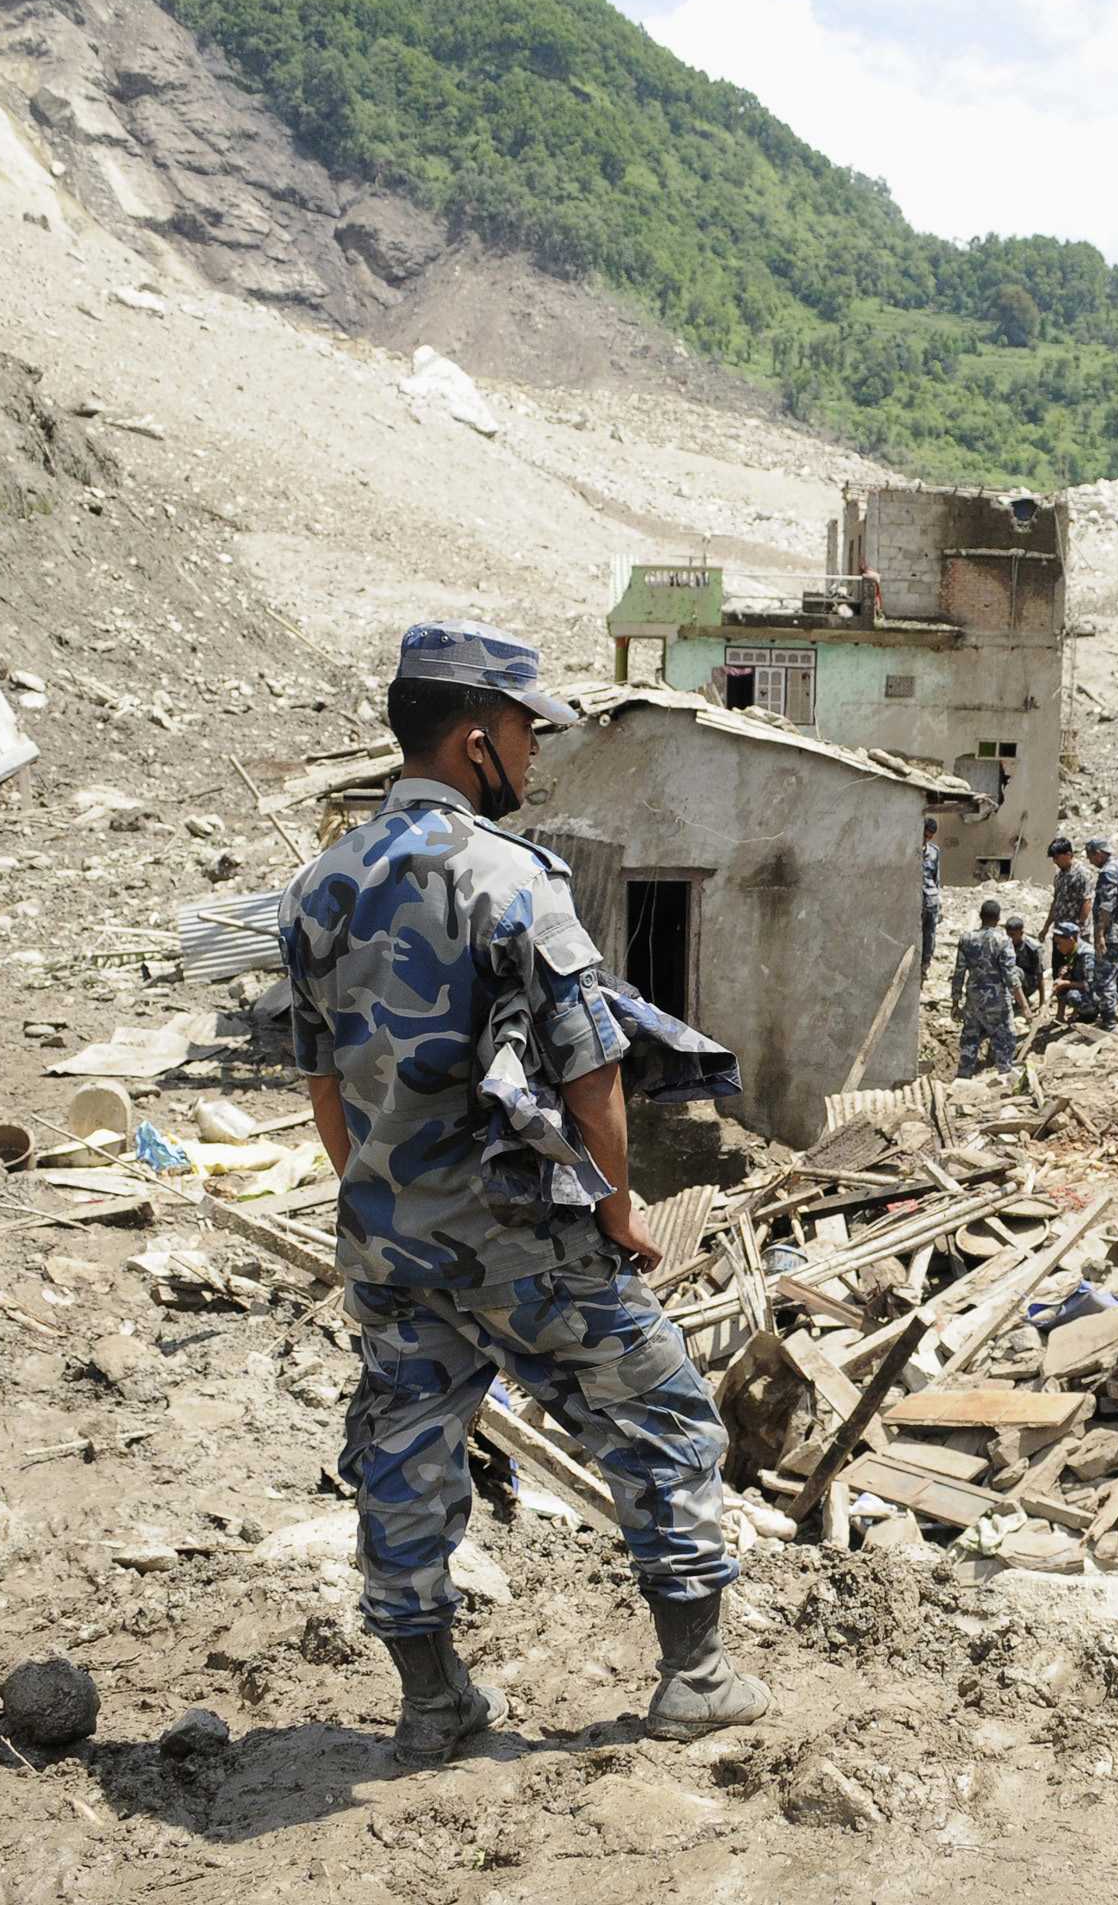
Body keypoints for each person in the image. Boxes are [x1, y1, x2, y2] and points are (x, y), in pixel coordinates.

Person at [280, 620, 769, 1767]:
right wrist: (616, 1210)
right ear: (474, 739)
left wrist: (377, 1196)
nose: (535, 754)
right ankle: (694, 1674)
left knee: (404, 1449)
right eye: (522, 731)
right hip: (524, 1242)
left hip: (392, 1243)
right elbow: (591, 1069)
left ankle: (433, 1699)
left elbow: (321, 1081)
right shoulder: (512, 876)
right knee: (663, 1415)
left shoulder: (318, 885)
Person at [948, 897, 1030, 1074]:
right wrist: (1024, 1006)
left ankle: (963, 1078)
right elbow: (1010, 977)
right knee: (1005, 1040)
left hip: (973, 1001)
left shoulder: (967, 939)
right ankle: (1003, 1077)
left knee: (970, 1041)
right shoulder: (1004, 941)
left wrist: (955, 1002)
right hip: (997, 1002)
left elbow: (959, 973)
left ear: (980, 916)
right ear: (998, 919)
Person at [1085, 836, 1118, 1016]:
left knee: (1104, 977)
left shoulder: (1107, 873)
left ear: (1098, 854)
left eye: (1090, 856)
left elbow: (1106, 906)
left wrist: (1100, 934)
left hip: (1111, 932)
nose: (1090, 861)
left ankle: (1109, 1021)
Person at [1047, 919, 1098, 1021]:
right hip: (1085, 990)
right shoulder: (1071, 950)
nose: (1058, 947)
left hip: (1097, 995)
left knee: (1073, 996)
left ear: (1071, 940)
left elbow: (1090, 984)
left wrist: (1065, 983)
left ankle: (1087, 1015)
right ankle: (1060, 1017)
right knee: (1061, 985)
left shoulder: (1086, 955)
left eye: (1060, 943)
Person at [1044, 835, 1088, 942]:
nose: (1055, 861)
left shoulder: (1081, 874)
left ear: (1068, 855)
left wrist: (1080, 927)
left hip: (1074, 933)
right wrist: (1046, 927)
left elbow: (1087, 902)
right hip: (1060, 931)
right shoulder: (1059, 876)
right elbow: (1056, 903)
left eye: (1057, 857)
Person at [918, 816, 942, 978]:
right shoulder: (911, 849)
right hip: (915, 901)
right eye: (925, 835)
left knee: (930, 935)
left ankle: (924, 966)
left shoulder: (934, 851)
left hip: (931, 900)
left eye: (930, 837)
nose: (926, 839)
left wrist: (940, 903)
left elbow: (937, 879)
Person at [1006, 913, 1044, 1010]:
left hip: (1029, 983)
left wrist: (1041, 1004)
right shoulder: (1005, 944)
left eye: (1013, 935)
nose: (1010, 938)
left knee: (1014, 970)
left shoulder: (1033, 948)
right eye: (1008, 934)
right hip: (1013, 981)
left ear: (1021, 933)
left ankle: (1023, 1002)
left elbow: (1040, 975)